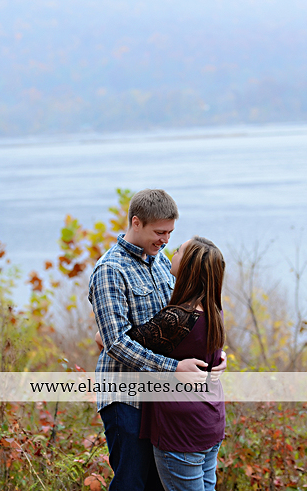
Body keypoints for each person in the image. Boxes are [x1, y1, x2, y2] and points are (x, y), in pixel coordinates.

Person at [89, 189, 226, 491]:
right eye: (159, 232)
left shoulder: (163, 263)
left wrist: (214, 353)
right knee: (132, 482)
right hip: (127, 397)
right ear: (136, 223)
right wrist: (173, 368)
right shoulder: (110, 271)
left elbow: (184, 320)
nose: (165, 240)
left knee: (159, 483)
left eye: (170, 233)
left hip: (162, 403)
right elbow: (117, 344)